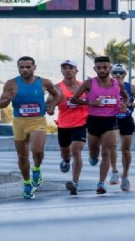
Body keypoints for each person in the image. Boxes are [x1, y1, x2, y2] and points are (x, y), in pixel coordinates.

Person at [0, 56, 59, 199]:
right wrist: (8, 99)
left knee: (37, 150)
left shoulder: (44, 82)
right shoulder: (11, 84)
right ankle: (26, 183)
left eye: (28, 67)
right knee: (22, 156)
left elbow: (57, 95)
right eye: (21, 67)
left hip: (37, 120)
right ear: (18, 68)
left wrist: (51, 106)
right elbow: (1, 104)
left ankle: (36, 169)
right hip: (19, 122)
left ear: (34, 67)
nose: (24, 70)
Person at [70, 56, 129, 194]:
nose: (102, 70)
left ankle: (101, 184)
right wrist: (90, 103)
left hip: (110, 121)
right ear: (95, 68)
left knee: (106, 152)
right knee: (94, 155)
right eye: (99, 68)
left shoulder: (117, 84)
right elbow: (74, 99)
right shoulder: (89, 83)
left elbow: (125, 97)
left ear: (109, 68)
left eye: (105, 67)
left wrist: (123, 105)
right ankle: (93, 157)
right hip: (93, 121)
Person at [48, 59, 88, 196]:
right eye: (64, 68)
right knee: (66, 153)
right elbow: (49, 103)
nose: (67, 70)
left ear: (76, 70)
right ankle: (66, 160)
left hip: (81, 123)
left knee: (76, 150)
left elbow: (93, 99)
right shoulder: (57, 87)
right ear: (61, 71)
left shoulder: (84, 86)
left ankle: (74, 182)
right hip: (64, 124)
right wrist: (50, 107)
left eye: (70, 68)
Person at [109, 64, 135, 191]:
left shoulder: (131, 88)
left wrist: (130, 104)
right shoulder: (105, 87)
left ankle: (125, 176)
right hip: (111, 119)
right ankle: (114, 171)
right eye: (115, 73)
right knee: (112, 145)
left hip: (126, 119)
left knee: (125, 150)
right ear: (111, 74)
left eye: (121, 73)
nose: (118, 75)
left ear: (125, 75)